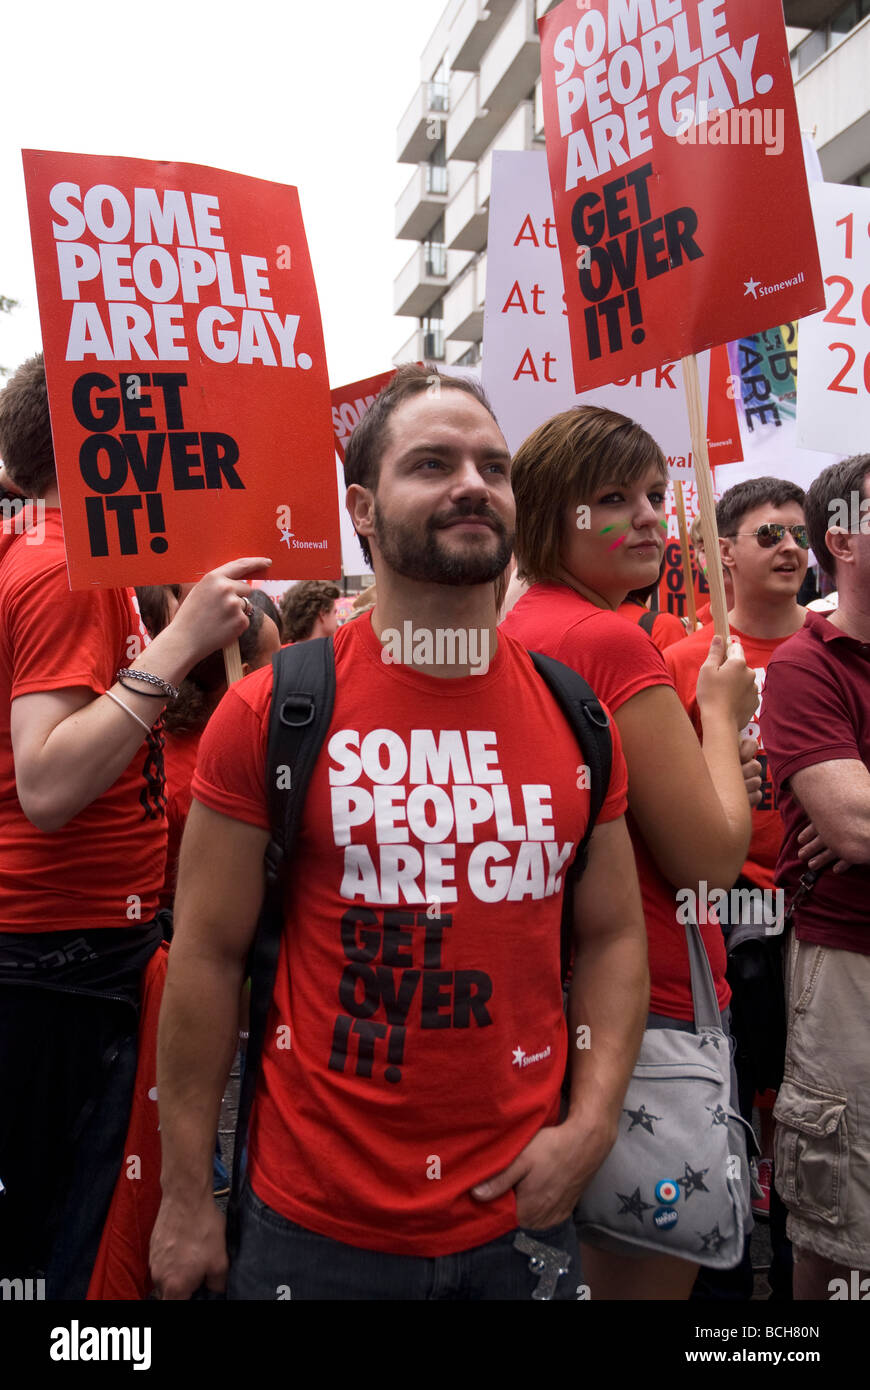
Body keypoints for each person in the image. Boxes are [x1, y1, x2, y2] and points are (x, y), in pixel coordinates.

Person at [149, 364, 650, 1301]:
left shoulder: (576, 710)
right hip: (313, 1228)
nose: (472, 484)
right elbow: (207, 959)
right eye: (432, 463)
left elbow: (614, 933)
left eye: (492, 467)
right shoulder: (274, 710)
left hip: (522, 1221)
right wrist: (185, 1197)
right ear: (363, 510)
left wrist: (592, 1124)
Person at [0, 352, 270, 1295]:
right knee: (68, 1252)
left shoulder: (51, 553)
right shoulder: (60, 562)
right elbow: (47, 782)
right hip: (58, 962)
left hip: (61, 956)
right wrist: (185, 640)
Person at [501, 405, 758, 1300]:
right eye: (613, 498)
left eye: (654, 492)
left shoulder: (520, 626)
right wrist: (720, 720)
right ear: (549, 517)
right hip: (652, 1011)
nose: (651, 515)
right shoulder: (608, 639)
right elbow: (710, 861)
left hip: (553, 1004)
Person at [666, 478, 808, 1296]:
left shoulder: (836, 644)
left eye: (799, 533)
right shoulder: (688, 661)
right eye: (768, 535)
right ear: (723, 554)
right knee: (735, 1071)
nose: (791, 546)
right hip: (725, 907)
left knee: (805, 1086)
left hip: (819, 907)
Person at [759, 454, 870, 1301]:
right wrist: (850, 816)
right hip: (850, 972)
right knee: (841, 1228)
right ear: (845, 539)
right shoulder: (807, 665)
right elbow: (851, 825)